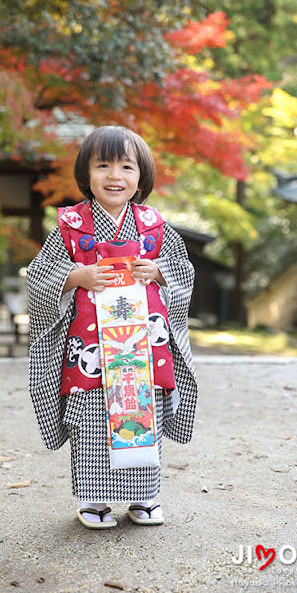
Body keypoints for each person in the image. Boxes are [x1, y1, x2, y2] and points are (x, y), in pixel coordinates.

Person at [27, 125, 198, 529]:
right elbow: (39, 276)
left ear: (142, 178)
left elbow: (183, 271)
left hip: (143, 342)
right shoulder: (71, 227)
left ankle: (145, 497)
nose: (114, 175)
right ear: (86, 175)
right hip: (91, 347)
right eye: (103, 165)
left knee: (142, 413)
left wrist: (158, 270)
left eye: (126, 166)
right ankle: (93, 501)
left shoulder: (155, 227)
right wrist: (77, 276)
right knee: (90, 416)